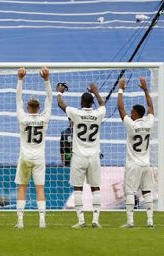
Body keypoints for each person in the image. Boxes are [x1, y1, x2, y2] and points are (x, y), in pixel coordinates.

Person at [57, 80, 106, 228]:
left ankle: (81, 221)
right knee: (95, 188)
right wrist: (96, 91)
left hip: (78, 157)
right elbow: (102, 104)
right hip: (94, 156)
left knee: (77, 188)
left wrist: (59, 91)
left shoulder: (76, 114)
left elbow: (61, 104)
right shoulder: (98, 114)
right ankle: (96, 220)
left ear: (81, 102)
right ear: (91, 103)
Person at [14, 67, 52, 229]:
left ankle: (20, 222)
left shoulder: (23, 118)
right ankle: (42, 221)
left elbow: (18, 98)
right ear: (38, 108)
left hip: (25, 156)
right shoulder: (44, 118)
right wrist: (46, 79)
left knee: (22, 188)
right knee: (40, 189)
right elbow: (49, 99)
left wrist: (20, 79)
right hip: (39, 157)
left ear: (28, 108)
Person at [117, 77, 155, 228]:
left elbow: (121, 109)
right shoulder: (149, 123)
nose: (130, 113)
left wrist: (121, 89)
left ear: (136, 113)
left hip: (133, 164)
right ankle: (150, 221)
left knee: (130, 192)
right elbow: (151, 107)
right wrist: (145, 89)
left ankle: (130, 222)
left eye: (132, 111)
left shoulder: (131, 125)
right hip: (146, 164)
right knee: (147, 192)